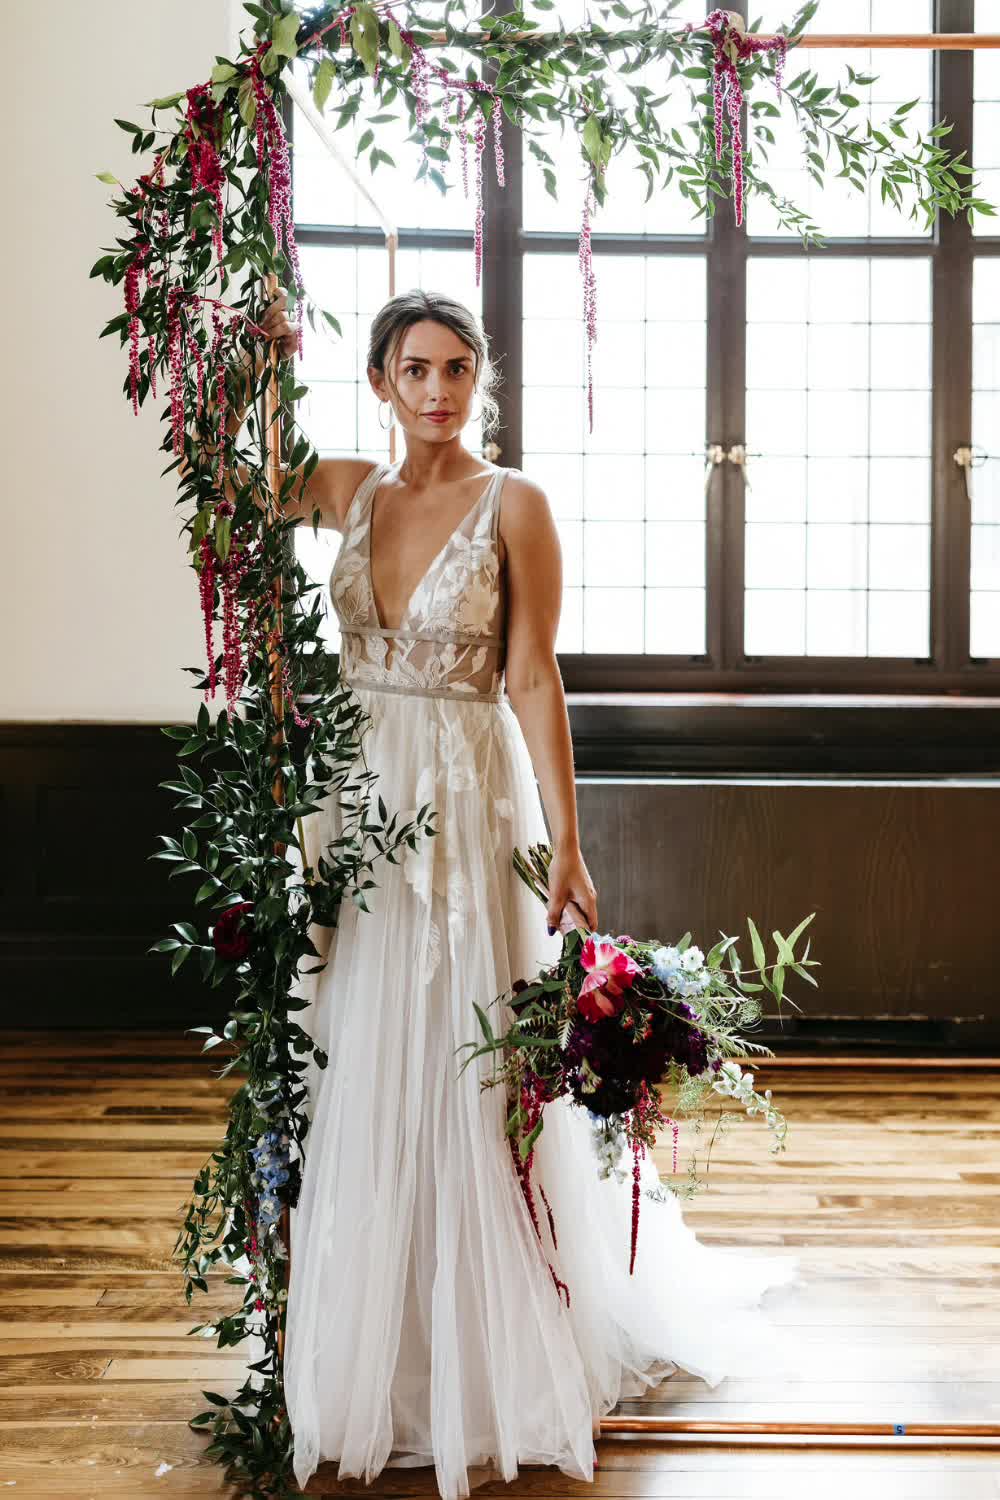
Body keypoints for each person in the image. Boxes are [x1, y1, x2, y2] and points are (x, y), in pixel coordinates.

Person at [215, 288, 801, 1499]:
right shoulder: (345, 489)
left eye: (457, 369)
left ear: (477, 380)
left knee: (463, 1047)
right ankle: (369, 1335)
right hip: (358, 792)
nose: (438, 390)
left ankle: (486, 1342)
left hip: (466, 798)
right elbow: (247, 487)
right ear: (379, 380)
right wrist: (268, 362)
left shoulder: (513, 504)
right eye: (415, 369)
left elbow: (534, 674)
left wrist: (570, 844)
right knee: (358, 1041)